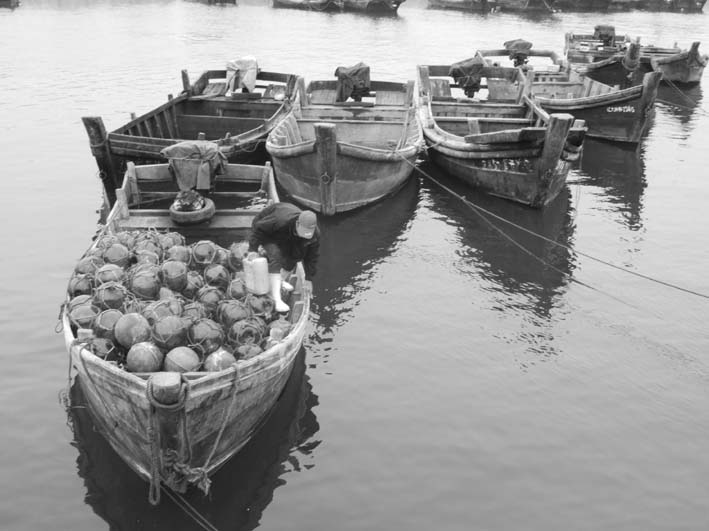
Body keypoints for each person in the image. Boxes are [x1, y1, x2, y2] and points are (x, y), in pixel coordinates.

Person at [248, 202, 319, 312]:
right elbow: (259, 228)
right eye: (304, 232)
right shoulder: (280, 221)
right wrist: (252, 249)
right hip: (268, 232)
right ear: (297, 224)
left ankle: (279, 281)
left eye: (308, 234)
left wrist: (308, 278)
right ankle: (276, 298)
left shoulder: (315, 235)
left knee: (296, 257)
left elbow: (312, 256)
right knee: (277, 256)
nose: (306, 236)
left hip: (288, 236)